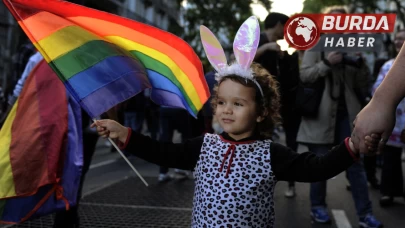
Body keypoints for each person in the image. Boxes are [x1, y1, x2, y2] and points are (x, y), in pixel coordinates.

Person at [91, 60, 381, 227]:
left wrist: (352, 147)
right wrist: (123, 133)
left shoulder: (270, 154)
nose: (226, 109)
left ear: (261, 112)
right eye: (221, 102)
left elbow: (316, 168)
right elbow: (164, 152)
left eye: (238, 103)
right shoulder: (203, 146)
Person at [296, 6, 383, 228]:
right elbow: (304, 75)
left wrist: (361, 64)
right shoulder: (316, 45)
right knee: (319, 165)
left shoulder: (351, 48)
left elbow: (363, 87)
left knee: (356, 166)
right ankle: (317, 208)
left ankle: (365, 215)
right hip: (321, 118)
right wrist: (327, 63)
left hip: (350, 117)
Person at [255, 12, 302, 198]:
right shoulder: (256, 42)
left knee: (291, 143)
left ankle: (291, 183)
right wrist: (266, 47)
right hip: (262, 105)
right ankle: (259, 182)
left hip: (286, 105)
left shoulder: (281, 49)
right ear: (278, 25)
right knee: (260, 143)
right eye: (286, 26)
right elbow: (241, 60)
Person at [371, 29, 405, 207]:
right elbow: (377, 91)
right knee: (390, 159)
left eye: (403, 39)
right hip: (394, 122)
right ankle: (388, 192)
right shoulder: (387, 66)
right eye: (397, 39)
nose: (399, 42)